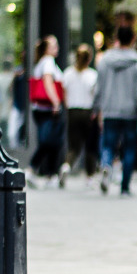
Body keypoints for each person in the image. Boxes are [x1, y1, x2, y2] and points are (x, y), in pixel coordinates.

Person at [94, 26, 137, 197]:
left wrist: (96, 108)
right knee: (130, 148)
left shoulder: (105, 60)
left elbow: (99, 87)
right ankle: (124, 187)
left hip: (110, 110)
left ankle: (106, 166)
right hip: (130, 112)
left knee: (108, 144)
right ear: (132, 39)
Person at [28, 35, 65, 186]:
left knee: (53, 141)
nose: (57, 48)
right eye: (54, 46)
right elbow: (48, 81)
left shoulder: (43, 62)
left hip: (40, 107)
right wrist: (56, 101)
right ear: (47, 49)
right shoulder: (48, 62)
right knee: (48, 140)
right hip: (47, 108)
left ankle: (51, 174)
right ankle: (32, 168)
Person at [62, 44, 100, 185]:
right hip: (87, 112)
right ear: (89, 58)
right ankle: (90, 176)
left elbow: (65, 94)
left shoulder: (68, 73)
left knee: (74, 145)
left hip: (72, 111)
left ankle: (66, 165)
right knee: (90, 145)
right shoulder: (92, 75)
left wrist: (68, 109)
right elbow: (94, 95)